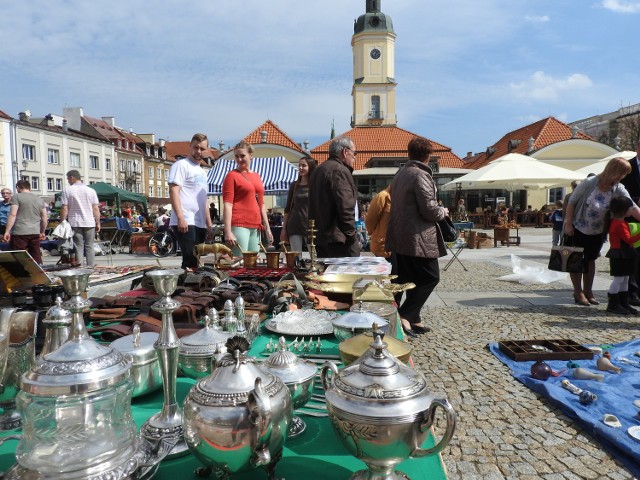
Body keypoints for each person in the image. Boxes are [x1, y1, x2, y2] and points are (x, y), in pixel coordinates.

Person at [386, 136, 448, 337]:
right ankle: (404, 314)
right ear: (428, 156)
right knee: (431, 277)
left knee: (411, 279)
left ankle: (414, 318)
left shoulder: (400, 174)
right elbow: (429, 210)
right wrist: (442, 212)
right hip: (419, 237)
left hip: (401, 236)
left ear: (409, 153)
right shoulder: (420, 175)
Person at [564, 157, 640, 306]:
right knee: (575, 260)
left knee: (590, 260)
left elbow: (631, 206)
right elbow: (571, 203)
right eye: (622, 173)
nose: (623, 177)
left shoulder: (617, 187)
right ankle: (578, 292)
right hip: (578, 228)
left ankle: (588, 292)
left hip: (598, 230)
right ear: (614, 170)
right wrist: (568, 225)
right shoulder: (589, 183)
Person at [308, 135, 360, 257]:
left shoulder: (318, 170)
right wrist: (351, 235)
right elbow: (345, 207)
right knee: (349, 274)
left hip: (321, 238)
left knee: (327, 274)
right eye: (354, 153)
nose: (354, 158)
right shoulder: (339, 170)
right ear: (345, 152)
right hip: (339, 240)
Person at [169, 133, 213, 270]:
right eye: (196, 147)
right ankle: (184, 289)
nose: (198, 152)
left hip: (199, 221)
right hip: (186, 219)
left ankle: (191, 287)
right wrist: (181, 217)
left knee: (196, 259)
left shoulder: (203, 172)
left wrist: (209, 224)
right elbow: (174, 191)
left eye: (202, 149)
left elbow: (203, 199)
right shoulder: (181, 165)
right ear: (190, 146)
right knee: (190, 260)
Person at [222, 141, 273, 255]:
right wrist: (228, 231)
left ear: (251, 155)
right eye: (236, 156)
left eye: (242, 156)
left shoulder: (257, 176)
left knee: (253, 262)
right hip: (239, 223)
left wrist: (267, 227)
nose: (239, 159)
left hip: (256, 225)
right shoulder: (232, 175)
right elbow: (227, 204)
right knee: (239, 261)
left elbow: (261, 204)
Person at [605, 196, 640, 315]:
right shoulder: (619, 224)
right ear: (624, 210)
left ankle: (623, 302)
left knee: (625, 278)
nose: (633, 210)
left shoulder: (620, 222)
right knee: (619, 279)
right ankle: (613, 304)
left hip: (624, 253)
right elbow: (629, 240)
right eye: (631, 207)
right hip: (619, 253)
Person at [60, 170, 101, 267]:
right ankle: (90, 267)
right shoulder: (91, 191)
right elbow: (95, 208)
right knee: (89, 245)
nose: (68, 180)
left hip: (75, 221)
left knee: (78, 246)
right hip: (89, 221)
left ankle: (80, 267)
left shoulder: (67, 190)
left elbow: (64, 207)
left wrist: (62, 221)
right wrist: (98, 222)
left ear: (72, 177)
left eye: (68, 178)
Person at [3, 180, 47, 264]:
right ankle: (39, 274)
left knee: (19, 256)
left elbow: (12, 214)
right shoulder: (39, 199)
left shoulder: (17, 197)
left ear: (18, 188)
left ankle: (20, 274)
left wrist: (7, 231)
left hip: (20, 232)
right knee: (36, 255)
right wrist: (42, 231)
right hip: (35, 231)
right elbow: (44, 218)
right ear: (29, 188)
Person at [281, 155, 317, 252]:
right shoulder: (294, 185)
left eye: (304, 165)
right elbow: (288, 208)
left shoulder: (315, 185)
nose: (300, 168)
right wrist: (284, 229)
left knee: (315, 257)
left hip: (311, 226)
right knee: (296, 258)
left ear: (310, 167)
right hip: (294, 224)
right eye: (299, 165)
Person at [620, 138, 640, 306]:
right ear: (637, 148)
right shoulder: (627, 167)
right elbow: (619, 194)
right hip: (631, 220)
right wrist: (636, 200)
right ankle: (632, 292)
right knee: (634, 256)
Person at [365, 185, 391, 259]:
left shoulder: (401, 198)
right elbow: (370, 220)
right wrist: (375, 235)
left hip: (397, 247)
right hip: (382, 247)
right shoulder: (382, 196)